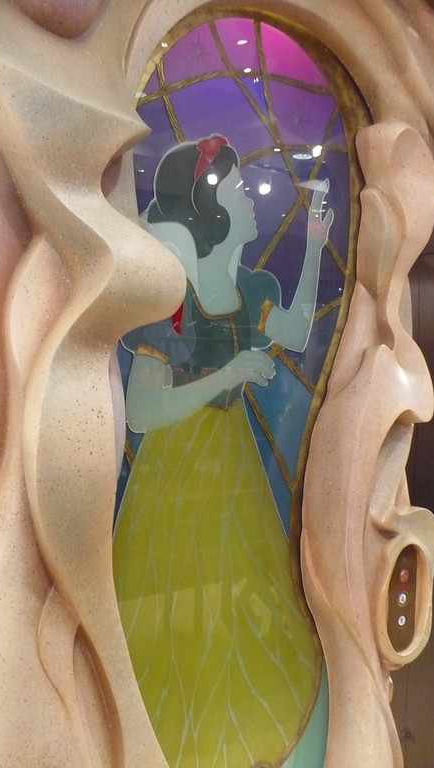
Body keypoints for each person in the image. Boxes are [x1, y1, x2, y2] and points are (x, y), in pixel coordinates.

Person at [113, 135, 333, 768]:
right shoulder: (172, 298)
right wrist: (228, 375)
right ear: (210, 209)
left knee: (236, 611)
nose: (250, 199)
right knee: (174, 613)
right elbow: (142, 410)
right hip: (175, 478)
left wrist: (315, 245)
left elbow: (296, 331)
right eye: (237, 190)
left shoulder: (251, 287)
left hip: (233, 474)